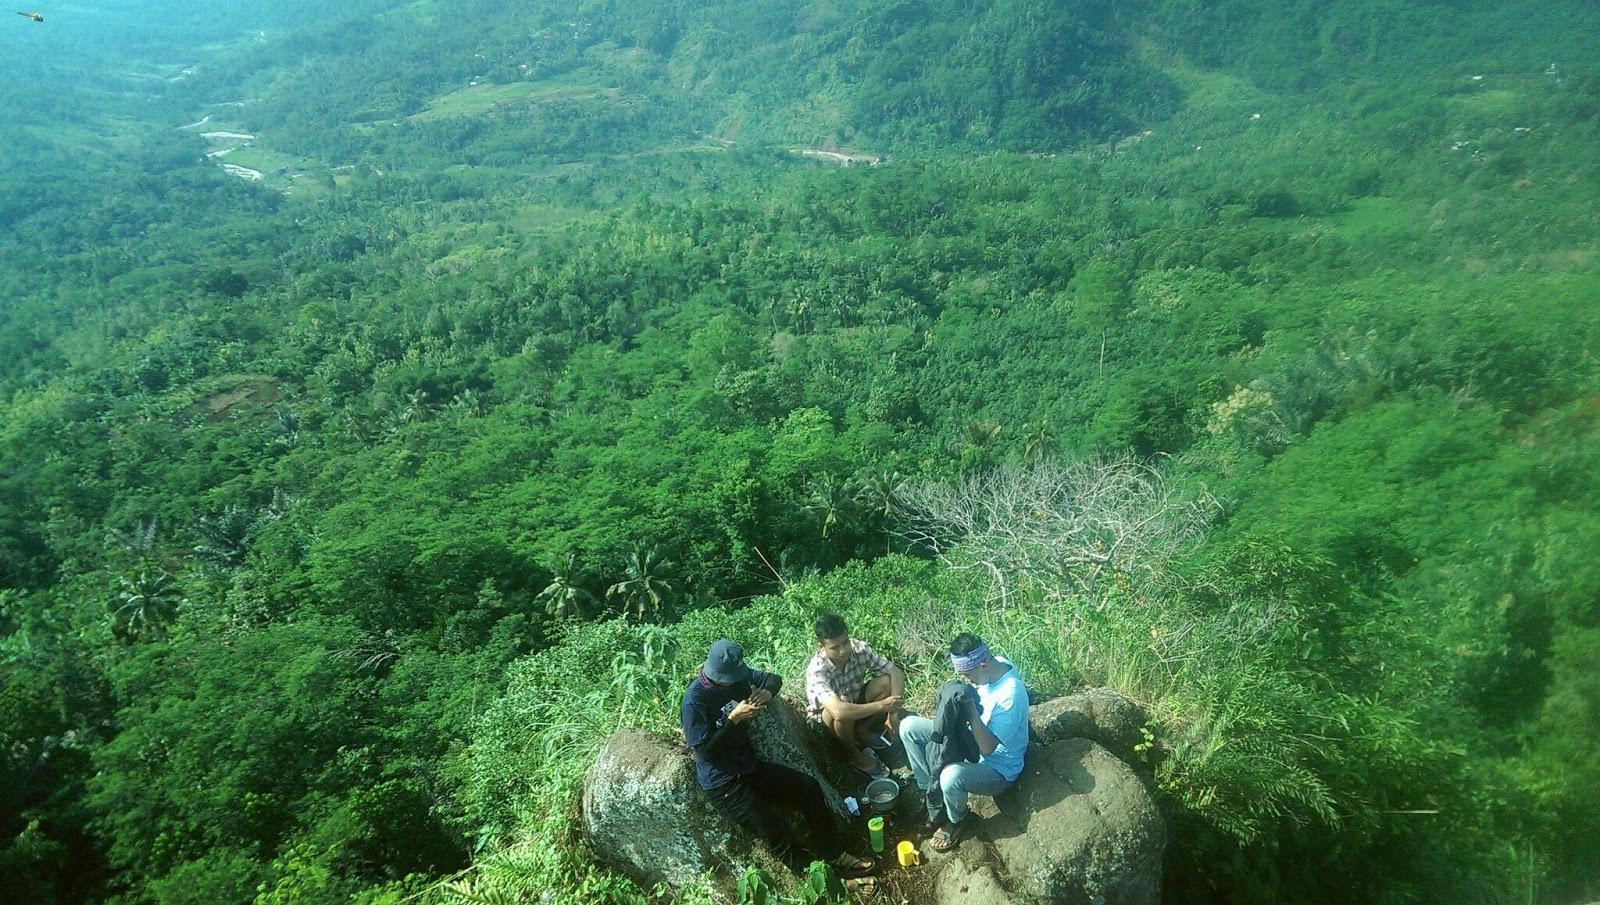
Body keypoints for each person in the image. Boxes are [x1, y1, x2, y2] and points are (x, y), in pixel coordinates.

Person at [680, 638, 875, 877]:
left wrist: (767, 692)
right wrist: (734, 720)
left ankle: (832, 853)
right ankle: (827, 882)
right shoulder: (694, 701)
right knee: (776, 833)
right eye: (730, 678)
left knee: (809, 788)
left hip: (749, 767)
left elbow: (774, 679)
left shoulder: (737, 677)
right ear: (715, 674)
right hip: (724, 784)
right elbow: (706, 751)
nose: (736, 681)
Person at [898, 633, 1029, 852]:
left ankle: (957, 820)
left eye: (968, 675)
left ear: (984, 664)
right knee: (909, 727)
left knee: (950, 775)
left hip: (997, 767)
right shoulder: (996, 664)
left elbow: (988, 747)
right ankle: (928, 793)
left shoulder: (1011, 694)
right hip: (969, 742)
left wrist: (970, 711)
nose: (967, 680)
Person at [804, 613, 905, 776]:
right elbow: (839, 711)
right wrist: (882, 706)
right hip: (827, 720)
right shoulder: (817, 670)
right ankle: (854, 754)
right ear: (821, 646)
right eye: (835, 647)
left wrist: (893, 714)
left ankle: (862, 731)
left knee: (885, 682)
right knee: (841, 705)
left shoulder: (859, 649)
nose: (843, 651)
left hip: (854, 703)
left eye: (845, 642)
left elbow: (896, 673)